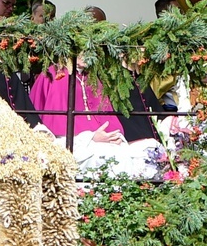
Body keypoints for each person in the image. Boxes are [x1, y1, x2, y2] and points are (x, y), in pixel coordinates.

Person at [30, 64, 162, 177]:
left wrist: (115, 137)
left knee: (149, 146)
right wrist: (91, 137)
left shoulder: (93, 76)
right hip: (72, 146)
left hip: (104, 142)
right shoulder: (52, 75)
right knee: (106, 156)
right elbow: (47, 137)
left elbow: (110, 123)